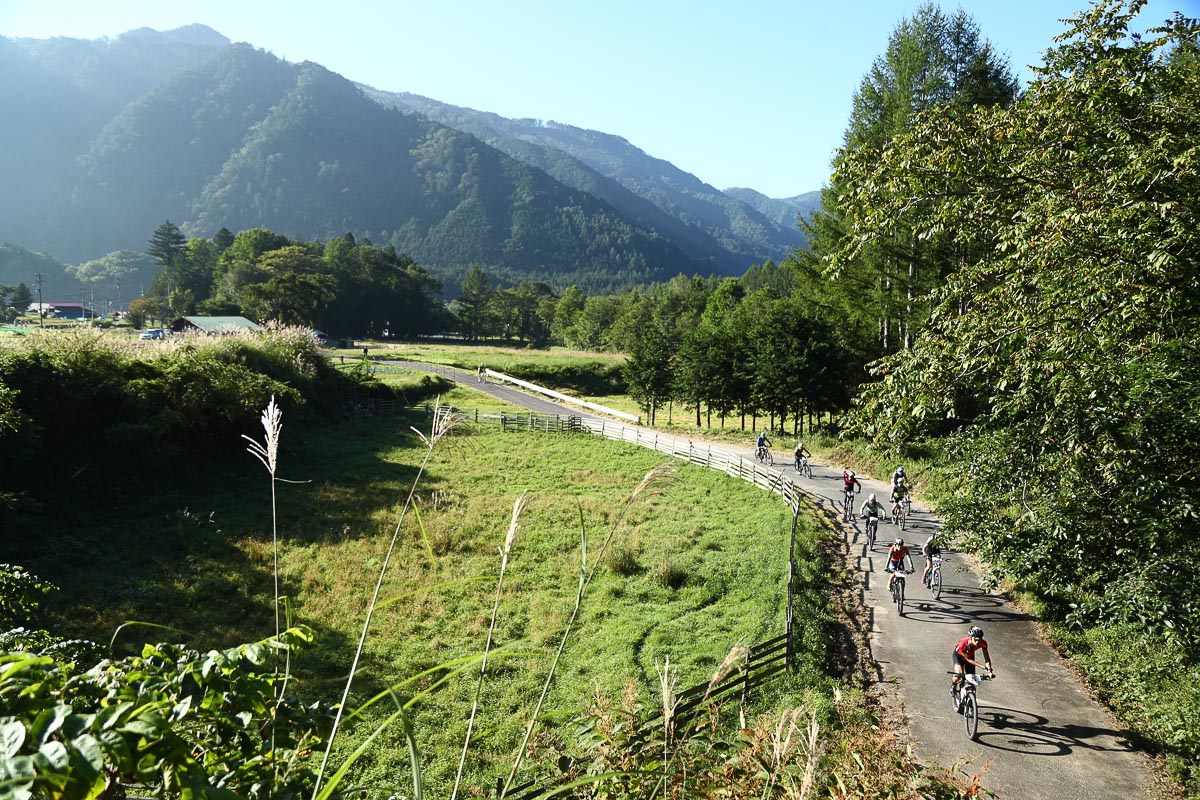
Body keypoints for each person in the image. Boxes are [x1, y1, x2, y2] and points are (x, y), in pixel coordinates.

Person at [951, 626, 994, 707]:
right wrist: (983, 667)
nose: (978, 642)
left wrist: (989, 670)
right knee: (959, 673)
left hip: (970, 656)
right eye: (976, 640)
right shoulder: (963, 643)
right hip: (959, 656)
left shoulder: (983, 643)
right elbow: (968, 660)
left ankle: (971, 703)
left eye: (980, 640)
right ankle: (953, 685)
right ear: (970, 638)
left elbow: (987, 658)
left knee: (971, 680)